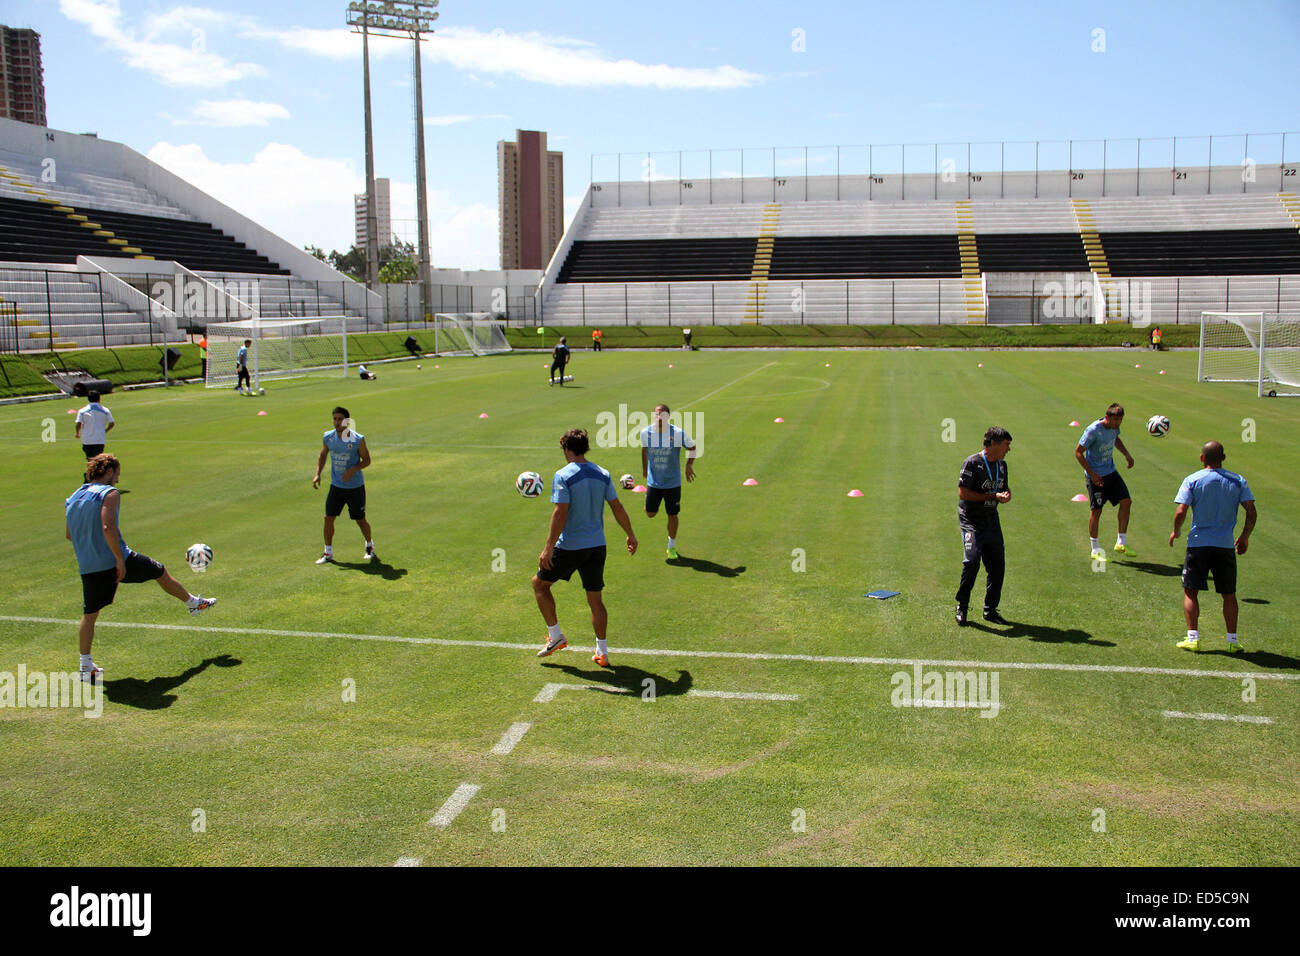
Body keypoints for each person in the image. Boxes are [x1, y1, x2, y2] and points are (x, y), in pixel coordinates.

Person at [65, 453, 216, 682]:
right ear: (108, 471)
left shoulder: (73, 497)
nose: (117, 480)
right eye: (116, 475)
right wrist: (118, 559)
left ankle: (86, 666)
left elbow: (69, 534)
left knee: (90, 614)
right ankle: (193, 604)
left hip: (88, 564)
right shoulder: (110, 493)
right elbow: (108, 526)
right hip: (116, 559)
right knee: (159, 571)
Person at [533, 428, 638, 668]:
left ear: (567, 449)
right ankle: (602, 652)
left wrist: (548, 547)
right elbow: (617, 507)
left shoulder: (563, 475)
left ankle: (556, 635)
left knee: (539, 584)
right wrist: (630, 534)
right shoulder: (603, 473)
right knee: (595, 600)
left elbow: (560, 512)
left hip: (571, 546)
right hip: (597, 546)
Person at [1169, 441, 1257, 653]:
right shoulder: (1238, 481)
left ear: (1201, 458)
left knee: (1191, 592)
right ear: (1223, 458)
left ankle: (1193, 638)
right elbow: (1251, 511)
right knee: (1229, 594)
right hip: (1225, 546)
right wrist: (1244, 536)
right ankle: (1232, 641)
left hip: (1198, 544)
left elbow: (1181, 511)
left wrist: (1177, 531)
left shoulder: (1193, 480)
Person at [955, 426, 1013, 627]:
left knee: (997, 566)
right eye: (1006, 445)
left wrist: (1005, 496)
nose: (1008, 449)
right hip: (972, 521)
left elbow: (1005, 489)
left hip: (991, 520)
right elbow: (963, 494)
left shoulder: (1002, 466)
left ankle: (990, 610)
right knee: (971, 562)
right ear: (994, 444)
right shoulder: (972, 463)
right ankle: (962, 606)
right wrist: (992, 496)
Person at [312, 406, 377, 564]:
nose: (337, 422)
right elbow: (322, 454)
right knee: (328, 518)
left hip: (355, 488)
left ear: (347, 421)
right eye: (334, 419)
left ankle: (369, 545)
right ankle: (328, 553)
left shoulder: (357, 439)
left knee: (360, 519)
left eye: (340, 419)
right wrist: (317, 474)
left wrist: (353, 470)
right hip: (336, 487)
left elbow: (367, 460)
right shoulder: (328, 437)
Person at [1075, 403, 1135, 560]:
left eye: (1120, 420)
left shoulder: (1114, 428)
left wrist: (1126, 454)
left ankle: (1121, 542)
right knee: (1097, 511)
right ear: (1107, 417)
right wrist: (1092, 474)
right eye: (1115, 420)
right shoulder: (1093, 430)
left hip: (1111, 472)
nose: (1117, 424)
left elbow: (1116, 439)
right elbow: (1078, 452)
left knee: (1126, 501)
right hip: (1096, 476)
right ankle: (1095, 549)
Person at [641, 403, 697, 559]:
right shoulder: (646, 433)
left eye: (662, 415)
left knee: (672, 514)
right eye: (656, 414)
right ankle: (649, 501)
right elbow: (644, 450)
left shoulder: (678, 433)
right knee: (650, 513)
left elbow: (692, 448)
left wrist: (689, 466)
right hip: (654, 482)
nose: (659, 417)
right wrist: (645, 469)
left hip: (673, 483)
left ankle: (671, 546)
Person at [75, 389, 114, 461]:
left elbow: (78, 423)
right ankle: (93, 472)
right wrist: (105, 430)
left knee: (90, 459)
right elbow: (112, 423)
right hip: (99, 439)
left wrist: (78, 433)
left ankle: (89, 471)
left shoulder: (82, 411)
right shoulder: (105, 410)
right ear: (99, 398)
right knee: (97, 460)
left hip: (87, 440)